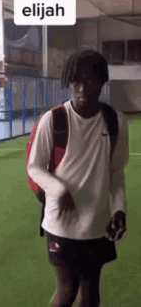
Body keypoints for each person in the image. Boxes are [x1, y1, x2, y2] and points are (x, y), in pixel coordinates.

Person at [27, 50, 129, 307]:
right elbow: (35, 167)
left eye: (91, 80)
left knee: (91, 290)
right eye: (77, 81)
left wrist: (119, 209)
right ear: (69, 82)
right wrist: (57, 189)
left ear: (102, 82)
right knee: (67, 290)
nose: (83, 88)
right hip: (61, 222)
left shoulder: (115, 121)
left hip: (97, 222)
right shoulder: (54, 119)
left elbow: (116, 171)